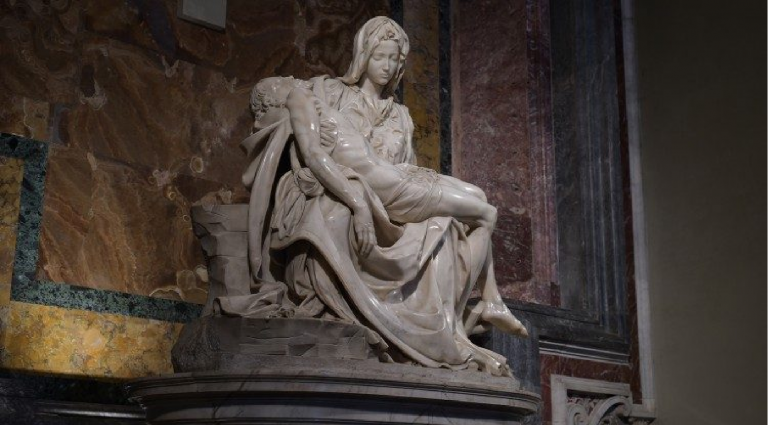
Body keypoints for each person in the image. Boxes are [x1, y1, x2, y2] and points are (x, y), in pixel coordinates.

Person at [235, 16, 525, 376]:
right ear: (362, 56)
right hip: (370, 190)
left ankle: (457, 323)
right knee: (482, 212)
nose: (386, 67)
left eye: (393, 59)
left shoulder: (401, 115)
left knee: (467, 207)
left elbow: (404, 163)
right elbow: (307, 150)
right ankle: (476, 312)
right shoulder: (322, 93)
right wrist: (356, 200)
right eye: (379, 57)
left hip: (397, 185)